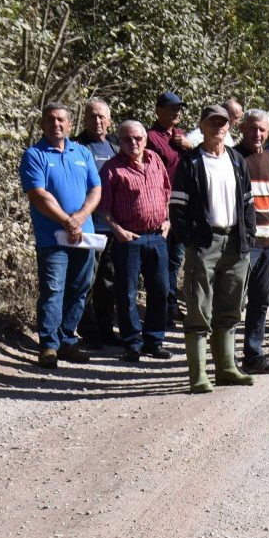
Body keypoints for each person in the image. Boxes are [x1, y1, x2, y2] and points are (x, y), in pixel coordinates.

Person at [170, 105, 256, 393]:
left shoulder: (236, 159)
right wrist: (190, 239)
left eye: (222, 122)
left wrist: (249, 235)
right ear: (202, 126)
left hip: (235, 242)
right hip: (204, 244)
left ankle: (227, 369)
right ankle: (198, 375)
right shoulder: (190, 162)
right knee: (198, 308)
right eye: (212, 122)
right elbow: (177, 207)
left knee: (230, 307)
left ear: (229, 126)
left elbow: (248, 202)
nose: (218, 127)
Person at [20, 103, 101, 369]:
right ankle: (48, 346)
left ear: (69, 124)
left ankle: (67, 340)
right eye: (51, 120)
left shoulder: (83, 152)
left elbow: (95, 189)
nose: (56, 124)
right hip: (52, 237)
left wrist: (79, 218)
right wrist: (67, 221)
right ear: (43, 124)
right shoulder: (34, 155)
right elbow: (38, 195)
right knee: (53, 289)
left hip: (83, 235)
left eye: (62, 120)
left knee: (79, 289)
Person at [98, 120, 172, 363]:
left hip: (157, 236)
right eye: (127, 139)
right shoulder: (111, 169)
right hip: (129, 238)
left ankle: (154, 340)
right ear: (119, 141)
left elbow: (167, 193)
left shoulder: (156, 161)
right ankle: (132, 344)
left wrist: (168, 220)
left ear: (145, 139)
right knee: (127, 293)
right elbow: (103, 209)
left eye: (138, 138)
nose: (133, 143)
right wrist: (118, 230)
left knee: (160, 290)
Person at [235, 109, 269, 375]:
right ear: (242, 128)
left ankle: (252, 356)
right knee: (234, 301)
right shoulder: (233, 158)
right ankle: (226, 357)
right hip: (243, 243)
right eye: (253, 128)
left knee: (260, 301)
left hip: (267, 242)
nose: (257, 134)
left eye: (262, 130)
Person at [74, 98, 120, 349]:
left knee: (108, 282)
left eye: (102, 116)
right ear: (84, 119)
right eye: (92, 116)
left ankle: (105, 329)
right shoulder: (75, 146)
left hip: (112, 227)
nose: (97, 120)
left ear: (109, 120)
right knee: (86, 281)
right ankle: (87, 331)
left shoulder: (116, 145)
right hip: (87, 226)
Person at [146, 91, 194, 325]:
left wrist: (189, 145)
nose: (177, 112)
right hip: (162, 208)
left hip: (182, 207)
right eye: (172, 108)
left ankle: (171, 303)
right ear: (158, 110)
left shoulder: (180, 136)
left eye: (179, 108)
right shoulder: (150, 138)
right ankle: (161, 307)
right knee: (161, 260)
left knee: (176, 259)